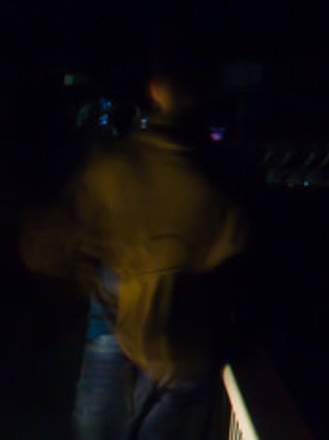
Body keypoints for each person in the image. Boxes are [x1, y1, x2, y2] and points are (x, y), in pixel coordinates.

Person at [21, 56, 250, 439]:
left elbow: (46, 244)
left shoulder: (113, 165)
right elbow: (235, 261)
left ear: (155, 93)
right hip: (181, 344)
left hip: (115, 316)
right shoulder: (223, 179)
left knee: (99, 424)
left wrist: (93, 273)